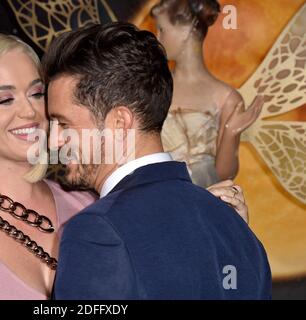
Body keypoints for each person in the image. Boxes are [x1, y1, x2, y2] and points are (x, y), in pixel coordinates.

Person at [0, 32, 248, 300]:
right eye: (4, 99)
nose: (30, 111)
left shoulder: (91, 204)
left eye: (37, 93)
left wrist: (197, 220)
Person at [43, 22, 271, 299]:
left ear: (119, 123)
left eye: (63, 124)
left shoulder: (96, 232)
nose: (53, 141)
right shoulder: (233, 227)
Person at [151, 0, 263, 187]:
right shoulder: (152, 88)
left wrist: (230, 132)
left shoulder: (226, 98)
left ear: (185, 31)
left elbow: (224, 175)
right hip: (158, 198)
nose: (157, 37)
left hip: (203, 204)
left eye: (162, 30)